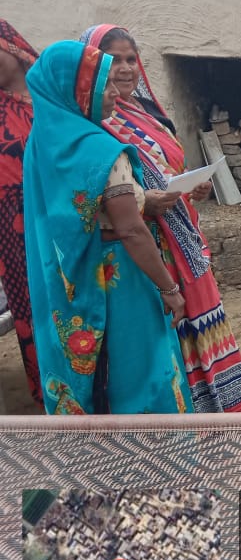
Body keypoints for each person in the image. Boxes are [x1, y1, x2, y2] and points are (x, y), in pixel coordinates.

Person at [81, 24, 241, 413]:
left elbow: (166, 167)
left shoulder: (146, 113)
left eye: (131, 59)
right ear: (92, 67)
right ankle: (190, 407)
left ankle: (223, 401)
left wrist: (191, 186)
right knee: (169, 324)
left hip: (179, 232)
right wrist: (145, 202)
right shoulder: (95, 123)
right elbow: (100, 196)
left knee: (196, 312)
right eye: (113, 60)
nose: (125, 69)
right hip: (144, 246)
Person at [22, 41, 192, 415]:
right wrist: (169, 288)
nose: (115, 92)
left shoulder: (41, 143)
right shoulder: (101, 151)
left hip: (69, 281)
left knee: (96, 376)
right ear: (76, 90)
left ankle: (96, 447)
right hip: (121, 280)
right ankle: (154, 448)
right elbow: (131, 230)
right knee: (140, 373)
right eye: (103, 84)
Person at [0, 19, 42, 406]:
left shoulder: (51, 94)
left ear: (11, 47)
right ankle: (50, 390)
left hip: (58, 211)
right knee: (29, 304)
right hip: (11, 225)